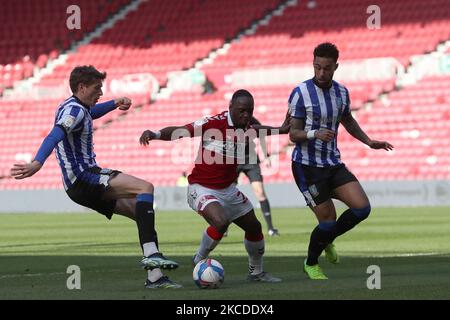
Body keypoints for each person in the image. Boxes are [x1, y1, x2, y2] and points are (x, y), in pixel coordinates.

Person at [10, 65, 181, 289]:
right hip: (84, 177)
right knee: (145, 188)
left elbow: (91, 113)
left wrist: (114, 103)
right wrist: (37, 162)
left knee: (141, 212)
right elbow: (55, 135)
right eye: (97, 88)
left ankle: (155, 277)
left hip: (78, 185)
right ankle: (153, 254)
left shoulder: (74, 107)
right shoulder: (75, 111)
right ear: (82, 87)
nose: (100, 92)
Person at [140, 89, 289, 282]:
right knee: (220, 221)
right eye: (242, 110)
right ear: (230, 108)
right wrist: (156, 133)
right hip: (200, 188)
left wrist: (281, 130)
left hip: (228, 190)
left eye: (249, 111)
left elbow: (258, 130)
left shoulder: (246, 126)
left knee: (254, 227)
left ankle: (256, 273)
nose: (246, 115)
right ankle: (199, 258)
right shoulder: (212, 124)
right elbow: (181, 131)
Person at [288, 43, 394, 280]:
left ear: (336, 67)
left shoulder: (341, 92)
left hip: (332, 164)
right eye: (317, 67)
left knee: (362, 208)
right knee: (327, 221)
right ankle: (311, 263)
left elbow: (347, 119)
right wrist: (315, 133)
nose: (321, 73)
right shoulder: (300, 93)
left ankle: (327, 239)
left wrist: (368, 141)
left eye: (327, 68)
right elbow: (293, 134)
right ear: (313, 64)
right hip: (307, 167)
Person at [236, 116, 280, 236]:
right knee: (227, 193)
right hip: (233, 160)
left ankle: (271, 228)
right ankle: (224, 228)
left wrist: (265, 155)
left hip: (250, 158)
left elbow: (261, 134)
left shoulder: (250, 119)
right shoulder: (227, 120)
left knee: (260, 192)